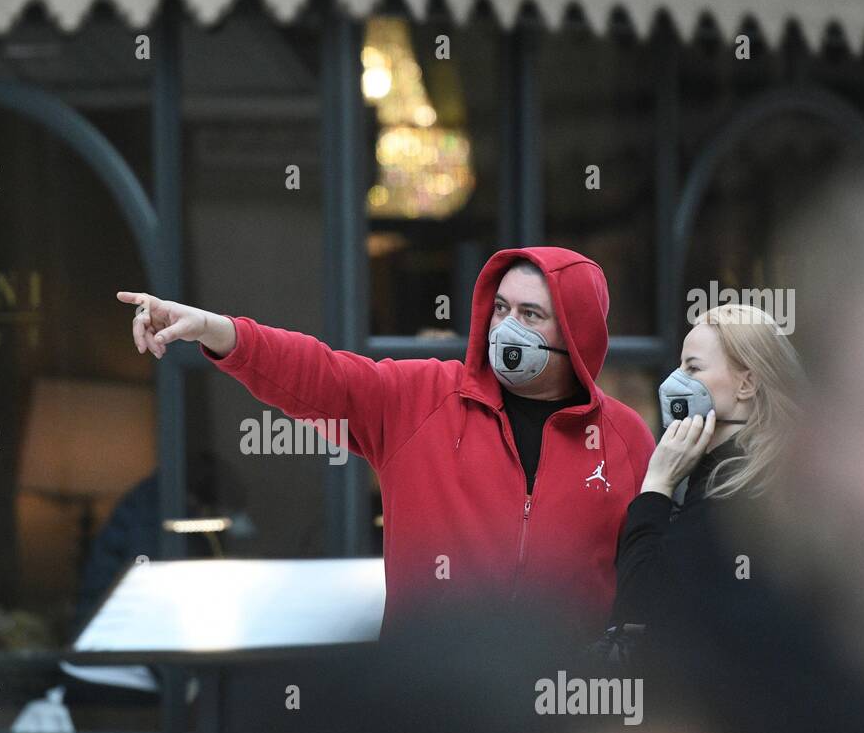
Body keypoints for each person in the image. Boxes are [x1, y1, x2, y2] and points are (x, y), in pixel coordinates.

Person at [119, 247, 655, 638]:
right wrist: (216, 330)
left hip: (561, 731)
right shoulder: (422, 397)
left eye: (530, 314)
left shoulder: (625, 438)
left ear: (576, 334)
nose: (507, 326)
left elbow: (649, 576)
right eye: (500, 308)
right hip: (426, 711)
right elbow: (319, 375)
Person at [611, 303, 803, 639]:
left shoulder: (731, 489)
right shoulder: (768, 471)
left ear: (747, 384)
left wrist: (658, 484)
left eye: (693, 368)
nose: (675, 381)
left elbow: (639, 604)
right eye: (680, 366)